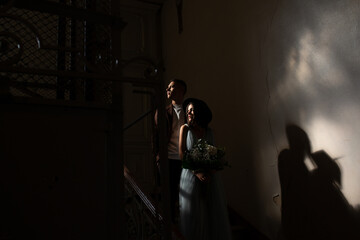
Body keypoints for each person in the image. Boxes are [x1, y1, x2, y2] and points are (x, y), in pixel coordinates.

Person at [178, 98, 232, 240]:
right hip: (191, 175)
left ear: (200, 111)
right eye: (187, 110)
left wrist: (211, 171)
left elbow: (214, 154)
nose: (188, 112)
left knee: (211, 211)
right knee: (194, 212)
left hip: (210, 177)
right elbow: (182, 153)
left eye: (192, 109)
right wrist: (197, 172)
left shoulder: (210, 132)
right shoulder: (185, 129)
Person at [153, 78, 187, 224]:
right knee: (169, 194)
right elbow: (155, 137)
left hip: (185, 159)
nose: (167, 89)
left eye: (171, 87)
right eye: (167, 87)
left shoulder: (189, 111)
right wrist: (158, 158)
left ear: (180, 90)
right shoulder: (162, 112)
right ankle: (170, 226)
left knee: (185, 194)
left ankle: (184, 223)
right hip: (167, 159)